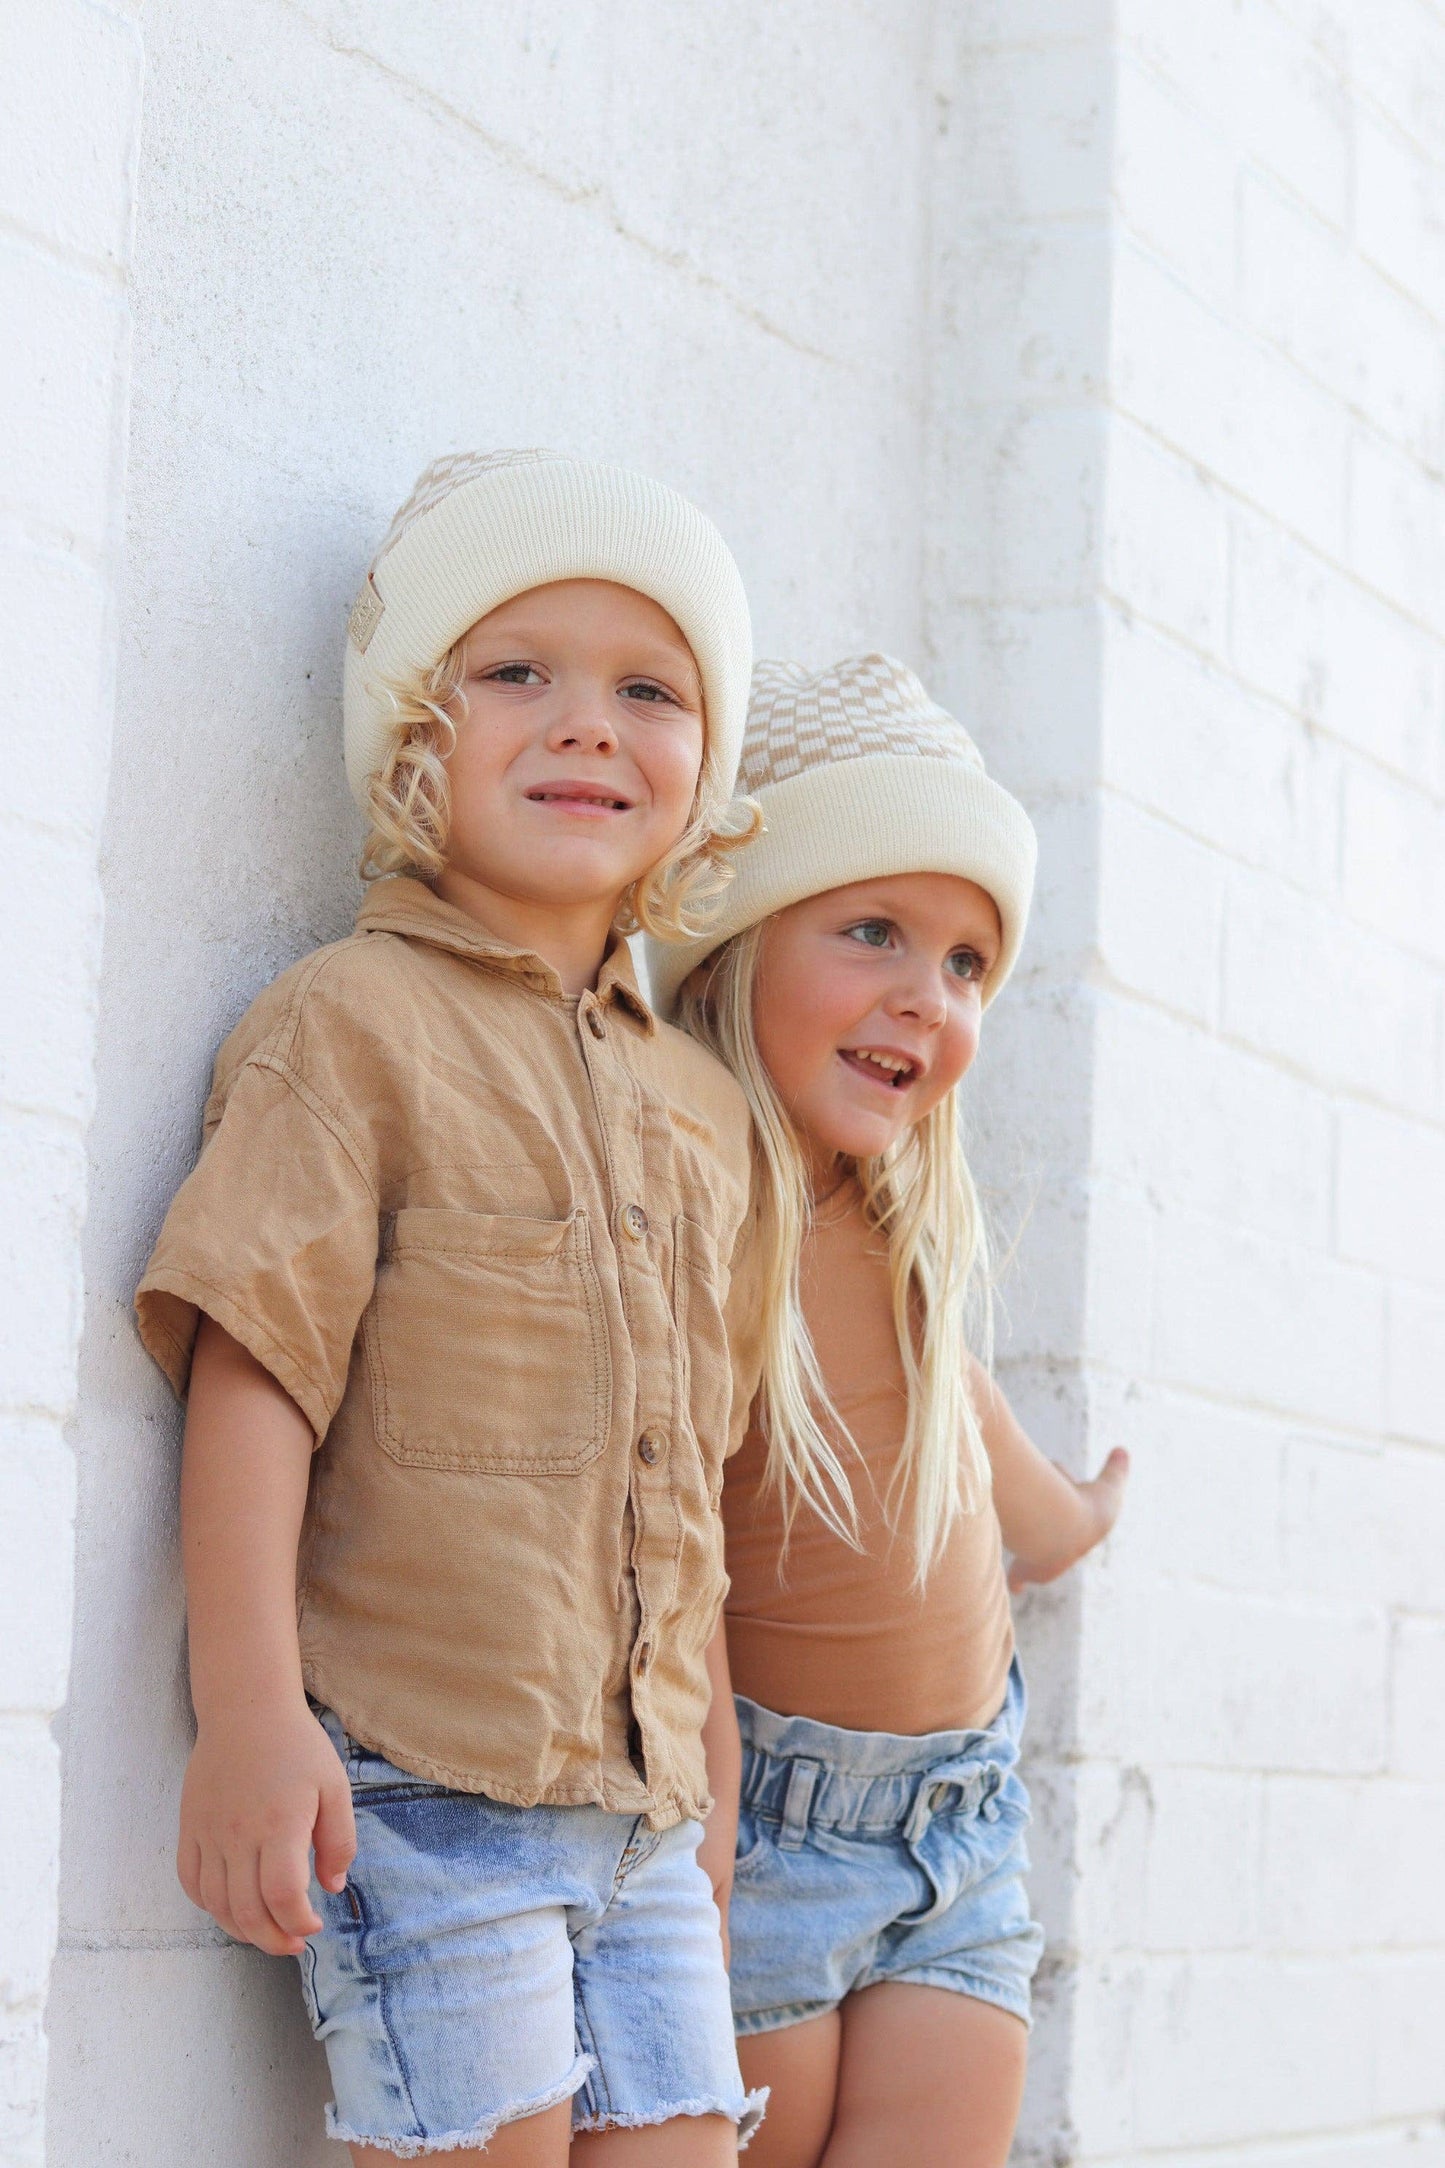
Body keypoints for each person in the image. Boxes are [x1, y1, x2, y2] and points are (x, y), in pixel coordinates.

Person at [134, 450, 769, 2164]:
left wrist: (703, 1786)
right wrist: (249, 1710)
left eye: (649, 689)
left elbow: (688, 1476)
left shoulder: (703, 1112)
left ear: (703, 774)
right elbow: (254, 1367)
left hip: (644, 1815)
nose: (584, 722)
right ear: (417, 732)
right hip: (424, 1788)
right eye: (516, 673)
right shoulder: (351, 1024)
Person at [649, 655, 1130, 2168]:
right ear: (733, 942)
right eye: (873, 933)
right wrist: (708, 1821)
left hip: (961, 1825)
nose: (926, 998)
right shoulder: (698, 1191)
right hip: (763, 1828)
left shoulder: (894, 1228)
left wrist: (1073, 1518)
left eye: (967, 965)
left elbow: (958, 1433)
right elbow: (672, 1540)